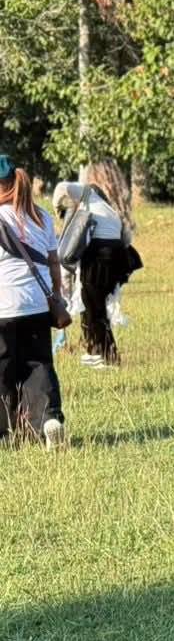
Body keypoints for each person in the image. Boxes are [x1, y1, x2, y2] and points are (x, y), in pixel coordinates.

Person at [0, 156, 66, 448]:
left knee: (3, 370)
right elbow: (53, 263)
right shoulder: (42, 216)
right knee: (38, 365)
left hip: (2, 307)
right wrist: (57, 295)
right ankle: (48, 421)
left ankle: (4, 433)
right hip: (38, 305)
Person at [52, 160, 143, 369]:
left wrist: (58, 209)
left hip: (98, 256)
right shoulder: (111, 212)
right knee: (95, 306)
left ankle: (104, 356)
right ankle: (96, 351)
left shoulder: (88, 195)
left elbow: (61, 188)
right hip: (115, 259)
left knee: (92, 306)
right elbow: (125, 240)